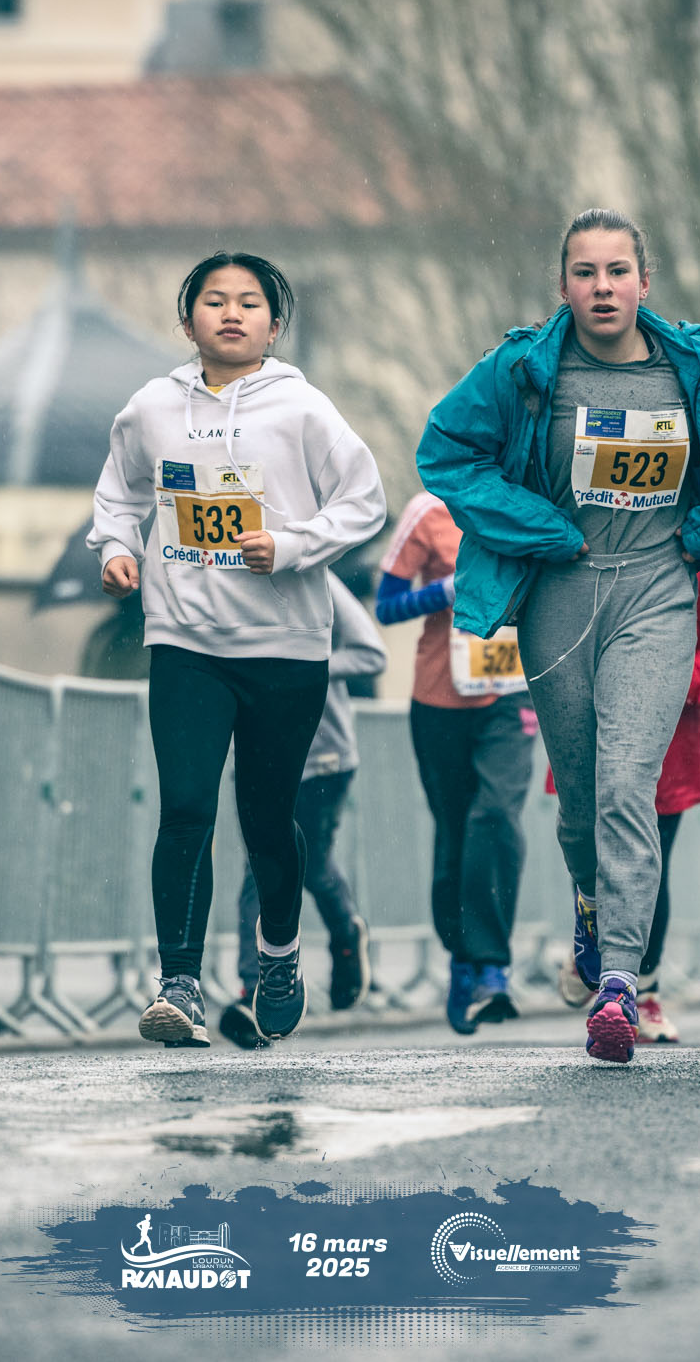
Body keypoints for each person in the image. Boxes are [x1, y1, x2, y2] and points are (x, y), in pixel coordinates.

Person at [417, 207, 700, 1064]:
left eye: (618, 271)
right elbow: (445, 450)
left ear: (644, 282)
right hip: (560, 591)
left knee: (628, 783)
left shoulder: (696, 366)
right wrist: (539, 526)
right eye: (585, 272)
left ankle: (620, 982)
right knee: (583, 800)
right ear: (563, 286)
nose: (602, 287)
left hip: (658, 592)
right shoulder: (524, 369)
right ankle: (590, 906)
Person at [90, 251, 385, 1049]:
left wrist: (292, 545)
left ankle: (279, 952)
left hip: (285, 647)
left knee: (266, 816)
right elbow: (118, 490)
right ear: (187, 321)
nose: (231, 313)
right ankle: (179, 984)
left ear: (273, 324)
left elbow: (365, 501)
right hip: (185, 640)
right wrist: (115, 547)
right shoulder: (152, 407)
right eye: (214, 300)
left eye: (249, 302)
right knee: (186, 807)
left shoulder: (303, 408)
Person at [376, 490, 537, 1035]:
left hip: (511, 691)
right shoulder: (428, 511)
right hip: (440, 699)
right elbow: (387, 606)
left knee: (496, 816)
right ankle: (462, 959)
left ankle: (492, 966)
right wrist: (447, 591)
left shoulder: (532, 497)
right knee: (455, 831)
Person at [217, 575, 385, 1049]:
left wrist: (297, 668)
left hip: (322, 757)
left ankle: (341, 938)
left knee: (298, 867)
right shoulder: (222, 580)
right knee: (266, 871)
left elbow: (372, 654)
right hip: (258, 758)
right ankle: (256, 988)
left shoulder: (318, 577)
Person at [602, 559, 700, 1043]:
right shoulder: (586, 545)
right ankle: (589, 941)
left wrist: (652, 674)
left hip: (668, 751)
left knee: (647, 866)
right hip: (592, 736)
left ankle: (641, 990)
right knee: (586, 853)